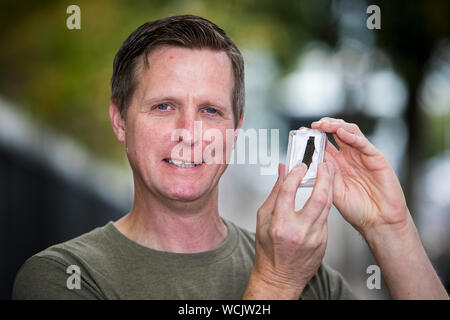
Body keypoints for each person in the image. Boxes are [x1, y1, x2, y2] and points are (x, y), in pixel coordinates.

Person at [12, 15, 448, 300]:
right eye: (164, 106)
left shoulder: (311, 277)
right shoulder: (63, 277)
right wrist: (275, 283)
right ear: (120, 121)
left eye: (210, 111)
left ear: (235, 131)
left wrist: (390, 226)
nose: (189, 133)